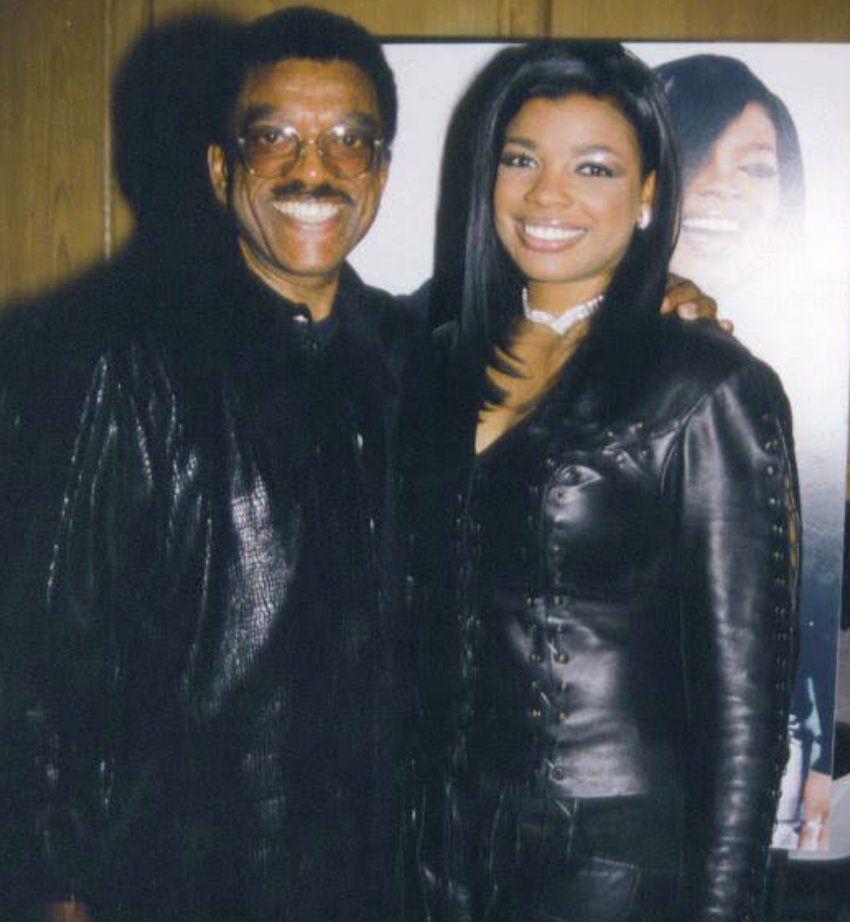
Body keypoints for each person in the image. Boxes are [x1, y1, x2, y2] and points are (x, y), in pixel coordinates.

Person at [0, 11, 719, 922]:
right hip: (183, 878)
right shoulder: (122, 360)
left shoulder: (413, 360)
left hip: (388, 878)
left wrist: (650, 308)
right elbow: (40, 665)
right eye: (274, 139)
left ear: (380, 171)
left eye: (348, 140)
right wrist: (57, 892)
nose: (314, 170)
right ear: (221, 169)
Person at [407, 40, 800, 922]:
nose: (548, 195)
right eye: (521, 160)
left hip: (617, 871)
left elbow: (745, 713)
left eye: (593, 168)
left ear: (649, 192)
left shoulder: (704, 387)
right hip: (439, 861)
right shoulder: (430, 367)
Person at [656, 53, 836, 852]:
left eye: (756, 168)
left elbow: (820, 577)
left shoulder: (818, 367)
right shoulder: (548, 342)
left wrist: (822, 749)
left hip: (767, 758)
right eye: (697, 154)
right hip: (604, 768)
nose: (721, 187)